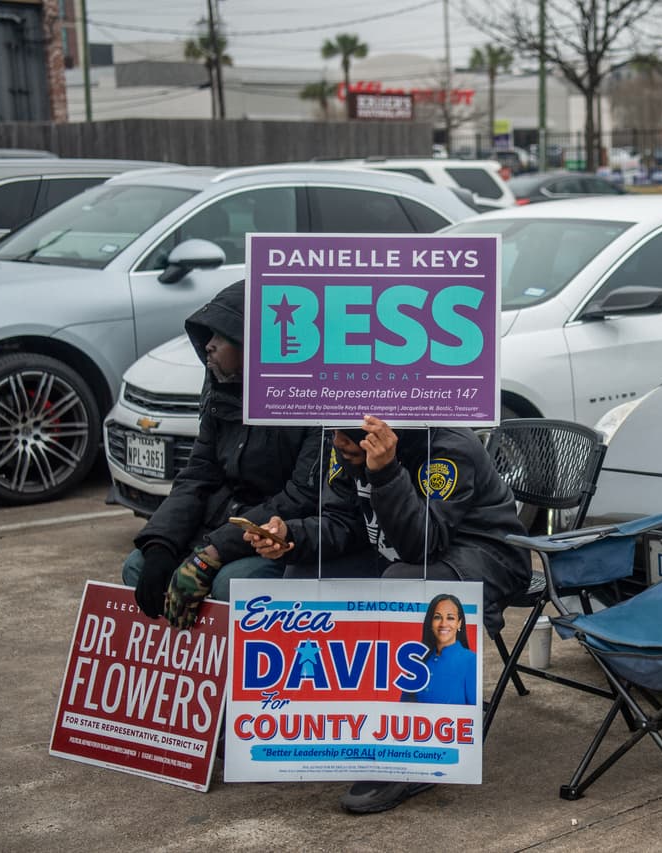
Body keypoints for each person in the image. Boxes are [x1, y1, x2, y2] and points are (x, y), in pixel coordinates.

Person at [246, 414, 530, 815]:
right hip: (407, 549)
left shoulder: (449, 447)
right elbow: (344, 522)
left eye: (351, 435)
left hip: (484, 554)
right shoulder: (348, 444)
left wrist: (385, 472)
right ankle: (307, 723)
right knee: (305, 572)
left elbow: (421, 544)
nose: (340, 442)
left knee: (405, 582)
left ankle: (408, 756)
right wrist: (292, 536)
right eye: (336, 432)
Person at [121, 281, 322, 630]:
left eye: (221, 334)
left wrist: (213, 554)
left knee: (230, 584)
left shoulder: (310, 401)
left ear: (251, 344)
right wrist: (161, 544)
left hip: (276, 537)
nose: (208, 345)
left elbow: (301, 497)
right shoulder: (221, 392)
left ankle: (242, 681)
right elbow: (197, 475)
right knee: (138, 566)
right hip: (219, 525)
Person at [403, 593, 476, 705]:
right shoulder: (418, 661)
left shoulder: (471, 661)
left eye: (450, 618)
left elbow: (474, 714)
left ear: (459, 623)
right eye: (437, 617)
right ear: (430, 623)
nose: (443, 624)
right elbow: (403, 708)